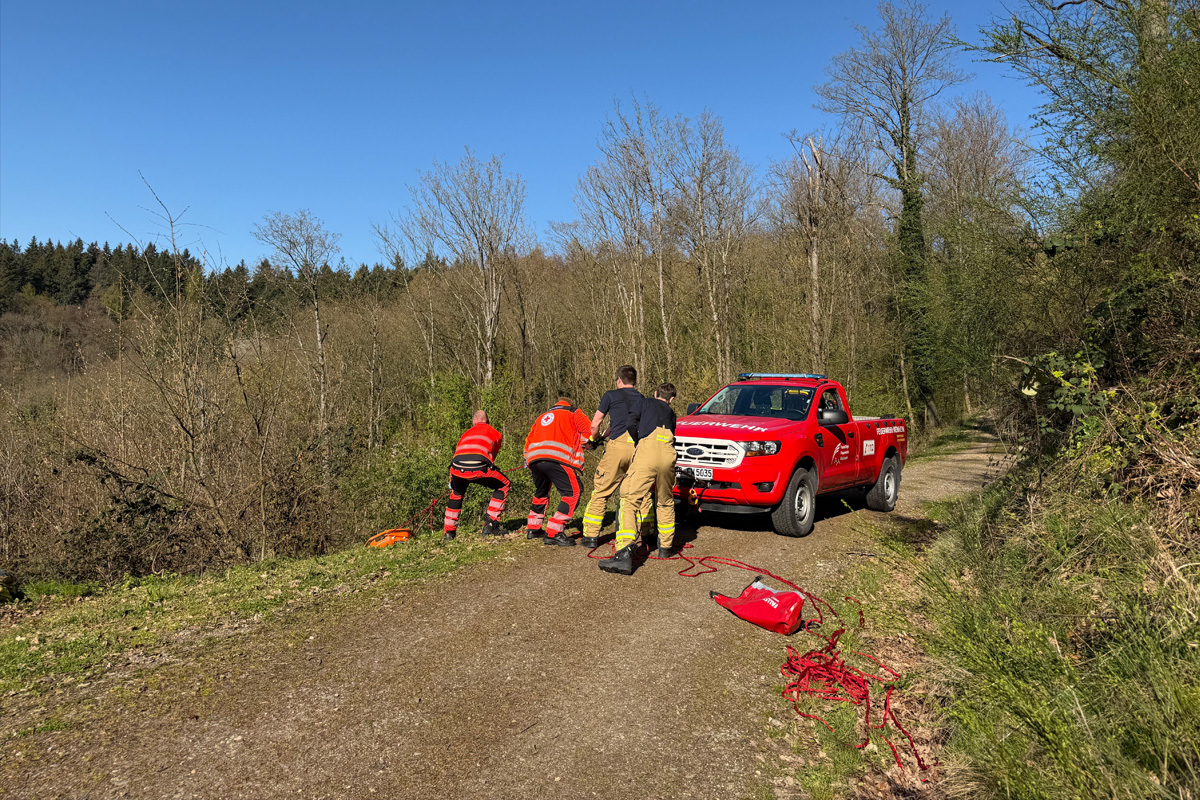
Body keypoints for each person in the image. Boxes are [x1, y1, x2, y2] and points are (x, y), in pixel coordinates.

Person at [600, 383, 679, 575]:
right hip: (668, 453)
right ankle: (665, 547)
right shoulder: (671, 413)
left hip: (647, 450)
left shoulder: (644, 402)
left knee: (629, 499)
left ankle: (624, 552)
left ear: (655, 393)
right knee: (665, 500)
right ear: (671, 399)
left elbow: (630, 423)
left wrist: (638, 441)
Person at [579, 364, 647, 548]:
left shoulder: (610, 395)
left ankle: (591, 536)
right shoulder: (642, 399)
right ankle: (642, 533)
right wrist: (606, 433)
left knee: (602, 491)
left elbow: (595, 423)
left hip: (617, 448)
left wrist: (594, 438)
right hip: (637, 448)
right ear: (634, 381)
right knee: (635, 494)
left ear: (619, 380)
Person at [524, 395, 593, 546]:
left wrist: (528, 458)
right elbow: (590, 432)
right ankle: (554, 531)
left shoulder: (541, 417)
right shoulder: (573, 412)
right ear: (569, 403)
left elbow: (528, 441)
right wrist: (592, 442)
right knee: (573, 492)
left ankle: (533, 528)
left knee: (541, 492)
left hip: (534, 459)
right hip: (558, 458)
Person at [443, 410, 509, 542]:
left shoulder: (465, 434)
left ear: (474, 422)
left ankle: (449, 533)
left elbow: (457, 454)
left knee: (457, 493)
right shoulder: (496, 433)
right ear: (487, 421)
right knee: (504, 484)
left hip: (456, 468)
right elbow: (491, 458)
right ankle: (490, 525)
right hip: (479, 467)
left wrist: (452, 480)